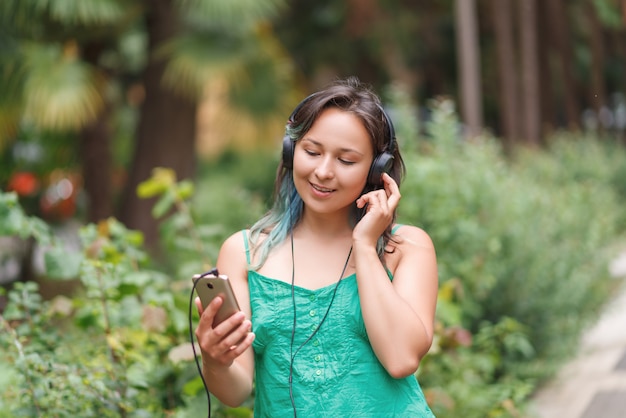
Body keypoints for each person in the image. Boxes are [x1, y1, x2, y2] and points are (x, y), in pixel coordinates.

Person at [195, 76, 438, 417]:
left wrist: (366, 247)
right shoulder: (244, 253)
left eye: (346, 160)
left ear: (376, 170)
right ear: (291, 151)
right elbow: (236, 392)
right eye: (311, 151)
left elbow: (401, 359)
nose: (323, 171)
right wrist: (214, 361)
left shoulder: (407, 248)